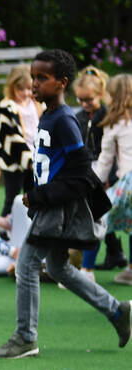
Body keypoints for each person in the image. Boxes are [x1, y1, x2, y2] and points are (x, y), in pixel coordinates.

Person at [0, 50, 132, 360]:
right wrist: (33, 192)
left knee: (27, 264)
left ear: (62, 83)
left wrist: (41, 197)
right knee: (57, 266)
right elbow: (49, 164)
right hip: (49, 205)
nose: (35, 84)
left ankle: (26, 337)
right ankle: (117, 312)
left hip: (57, 209)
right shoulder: (50, 116)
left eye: (43, 78)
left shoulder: (65, 120)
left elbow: (81, 174)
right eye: (34, 77)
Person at [73, 66, 116, 281]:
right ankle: (115, 252)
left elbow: (109, 150)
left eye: (88, 100)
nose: (84, 104)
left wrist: (107, 175)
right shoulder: (79, 116)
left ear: (100, 95)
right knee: (99, 215)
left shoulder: (107, 115)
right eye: (80, 100)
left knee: (100, 215)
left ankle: (88, 268)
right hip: (88, 171)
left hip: (106, 173)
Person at [0, 65, 43, 227]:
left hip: (35, 157)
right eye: (21, 89)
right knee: (12, 198)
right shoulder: (6, 107)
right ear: (12, 87)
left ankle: (29, 231)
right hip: (14, 161)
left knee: (32, 197)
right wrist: (27, 160)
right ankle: (5, 236)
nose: (26, 93)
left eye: (29, 89)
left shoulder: (37, 104)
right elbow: (9, 137)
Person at [93, 73, 132, 285]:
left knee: (98, 217)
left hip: (129, 182)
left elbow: (105, 159)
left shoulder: (114, 122)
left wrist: (93, 183)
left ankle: (86, 269)